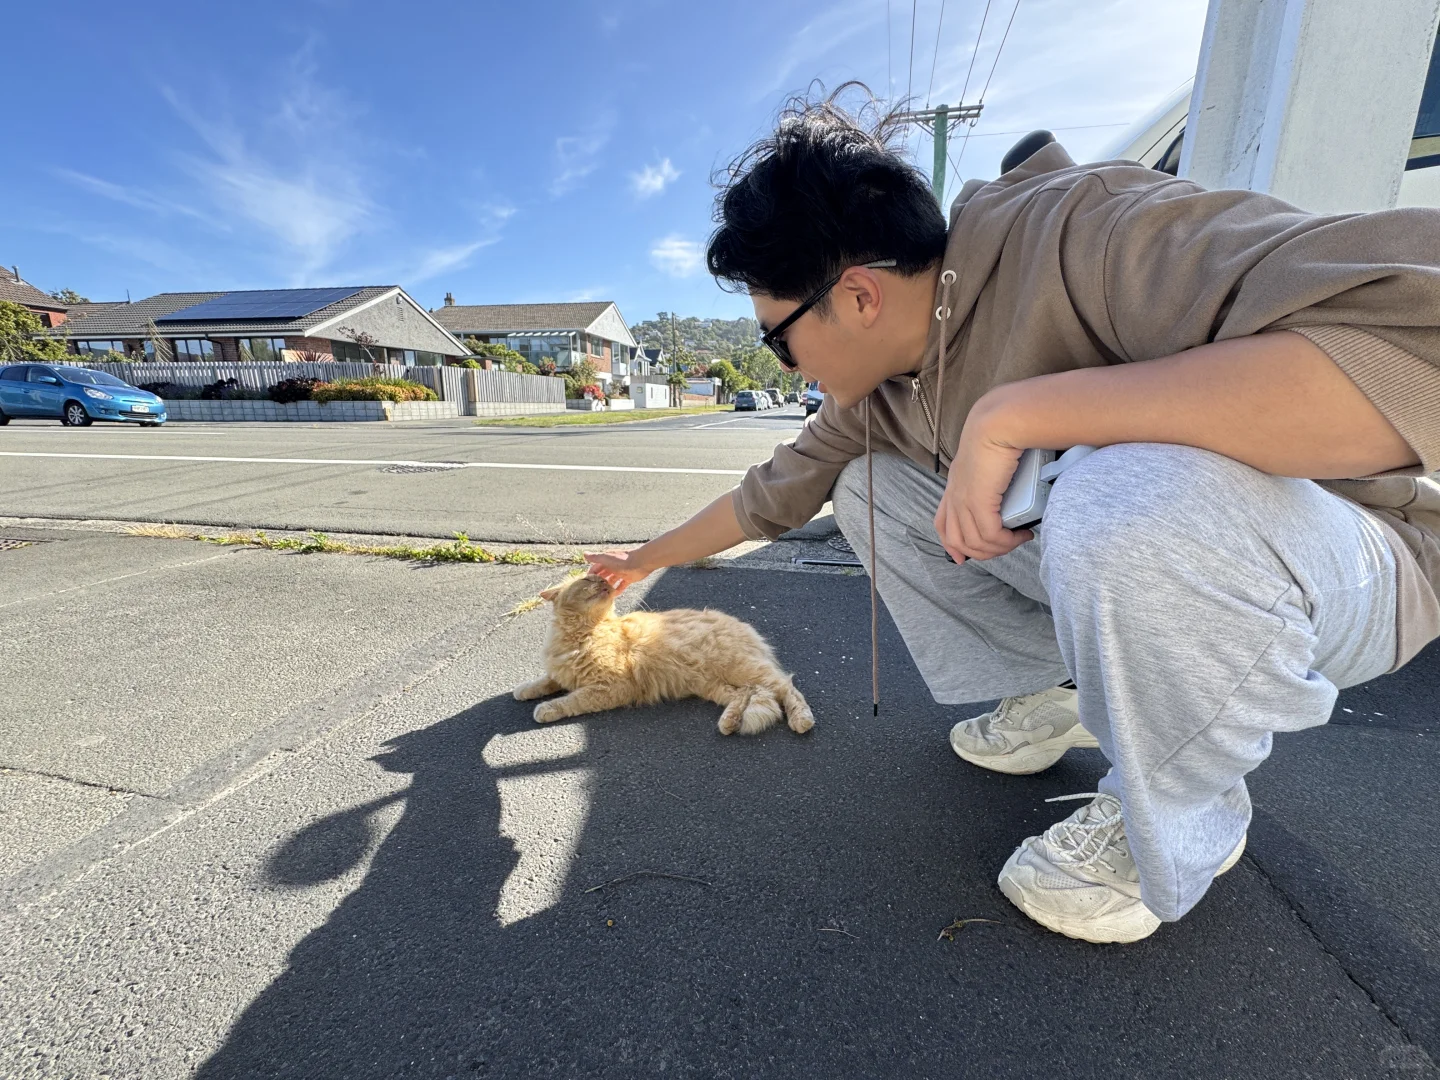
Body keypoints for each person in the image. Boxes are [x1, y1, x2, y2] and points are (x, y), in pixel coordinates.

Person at [585, 88, 1440, 944]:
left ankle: (1180, 817)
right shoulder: (877, 397)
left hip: (1354, 563)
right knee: (869, 491)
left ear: (856, 296)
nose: (787, 363)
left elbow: (1418, 343)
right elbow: (762, 499)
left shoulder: (1084, 230)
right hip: (1167, 559)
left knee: (1121, 498)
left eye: (778, 338)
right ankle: (1063, 691)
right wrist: (639, 560)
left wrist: (1019, 415)